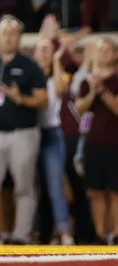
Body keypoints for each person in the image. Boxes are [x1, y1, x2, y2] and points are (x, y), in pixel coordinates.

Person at [0, 15, 47, 244]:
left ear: (19, 37)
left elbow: (43, 100)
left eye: (13, 33)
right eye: (4, 33)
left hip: (22, 134)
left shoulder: (30, 65)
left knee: (23, 187)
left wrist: (20, 98)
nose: (8, 38)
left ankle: (20, 235)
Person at [76, 35, 118, 245]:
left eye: (108, 49)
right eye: (100, 50)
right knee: (95, 191)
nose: (103, 53)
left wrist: (102, 91)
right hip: (93, 143)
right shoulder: (88, 80)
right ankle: (100, 235)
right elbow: (79, 108)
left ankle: (117, 234)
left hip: (115, 143)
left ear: (116, 54)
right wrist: (93, 92)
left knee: (115, 191)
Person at [34, 35, 73, 244]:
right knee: (30, 187)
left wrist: (57, 60)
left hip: (52, 133)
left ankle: (64, 231)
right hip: (30, 133)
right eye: (41, 48)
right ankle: (34, 231)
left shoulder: (58, 74)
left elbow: (61, 89)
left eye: (48, 49)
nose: (45, 52)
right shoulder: (29, 73)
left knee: (55, 185)